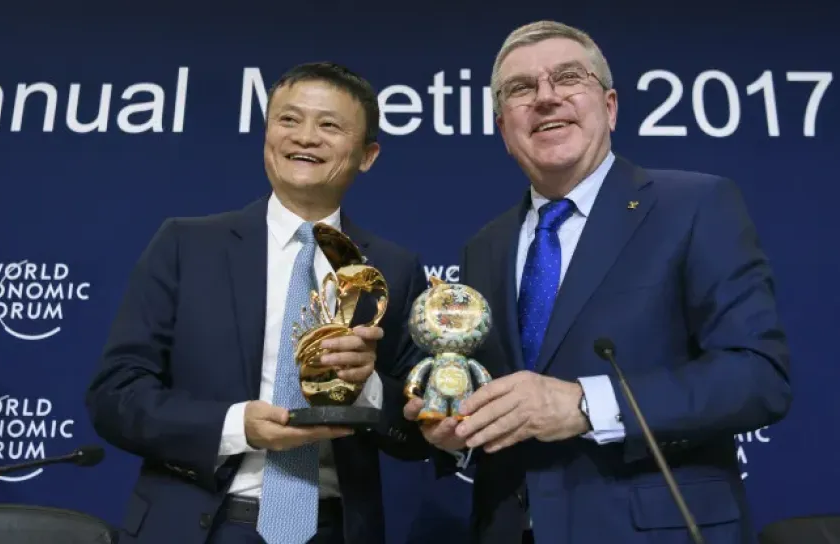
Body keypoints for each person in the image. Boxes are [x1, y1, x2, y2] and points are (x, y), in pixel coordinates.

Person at [404, 20, 792, 544]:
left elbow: (758, 377)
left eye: (568, 78)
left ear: (609, 107)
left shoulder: (695, 206)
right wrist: (458, 431)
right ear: (503, 129)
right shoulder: (486, 246)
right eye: (521, 88)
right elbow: (502, 402)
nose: (546, 97)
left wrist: (587, 405)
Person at [86, 62, 429, 544]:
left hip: (334, 529)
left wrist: (367, 388)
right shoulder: (186, 245)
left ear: (367, 155)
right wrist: (236, 426)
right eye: (289, 119)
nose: (305, 137)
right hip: (202, 526)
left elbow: (419, 435)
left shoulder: (393, 268)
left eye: (329, 125)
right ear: (267, 134)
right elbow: (115, 396)